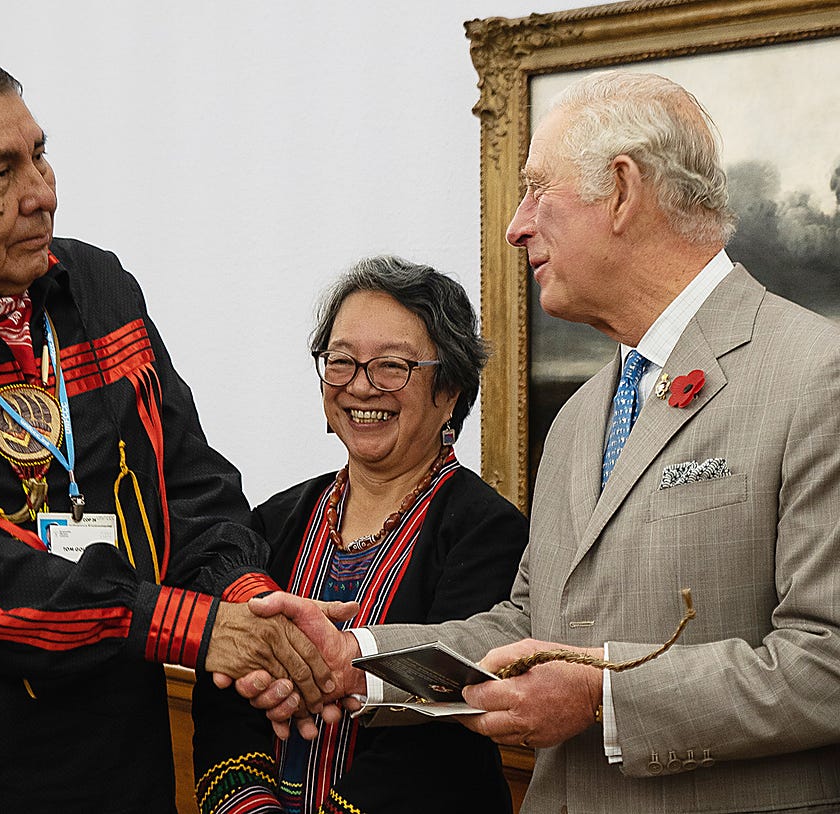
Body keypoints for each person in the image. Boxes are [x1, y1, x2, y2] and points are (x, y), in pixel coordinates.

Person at [239, 71, 840, 812]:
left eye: (536, 189)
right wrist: (356, 657)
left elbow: (828, 664)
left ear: (620, 190)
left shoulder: (817, 376)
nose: (516, 225)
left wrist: (605, 700)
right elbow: (526, 625)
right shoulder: (585, 414)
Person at [0, 51, 339, 814]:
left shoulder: (97, 287)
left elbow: (190, 488)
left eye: (40, 153)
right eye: (1, 171)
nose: (43, 193)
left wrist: (251, 606)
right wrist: (191, 627)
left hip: (113, 771)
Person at [191, 256, 528, 813]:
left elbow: (443, 720)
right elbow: (225, 686)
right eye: (341, 362)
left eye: (392, 367)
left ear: (449, 387)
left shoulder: (488, 531)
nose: (361, 387)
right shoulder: (275, 520)